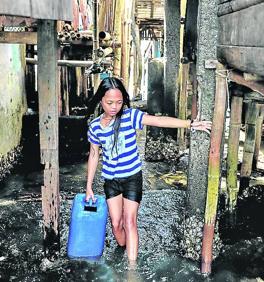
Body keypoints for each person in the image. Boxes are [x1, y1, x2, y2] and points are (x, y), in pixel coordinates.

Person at [85, 77, 211, 263]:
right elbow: (94, 154)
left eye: (119, 102)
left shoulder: (130, 116)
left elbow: (158, 121)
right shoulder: (95, 126)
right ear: (101, 100)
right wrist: (88, 186)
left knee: (129, 221)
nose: (114, 107)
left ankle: (131, 269)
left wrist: (190, 124)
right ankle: (124, 250)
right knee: (116, 224)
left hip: (132, 177)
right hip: (111, 180)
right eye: (109, 102)